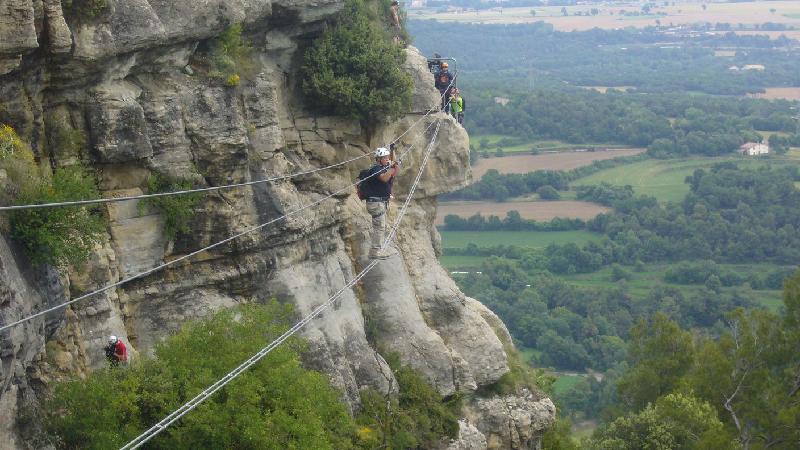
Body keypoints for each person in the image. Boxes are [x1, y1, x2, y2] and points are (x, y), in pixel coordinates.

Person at [363, 147, 399, 259]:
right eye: (385, 157)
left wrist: (394, 163)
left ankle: (377, 250)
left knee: (381, 226)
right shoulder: (375, 169)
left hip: (380, 202)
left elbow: (394, 171)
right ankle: (375, 252)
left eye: (387, 157)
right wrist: (391, 167)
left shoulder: (383, 168)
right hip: (376, 203)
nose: (387, 159)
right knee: (379, 227)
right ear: (379, 159)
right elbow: (384, 178)